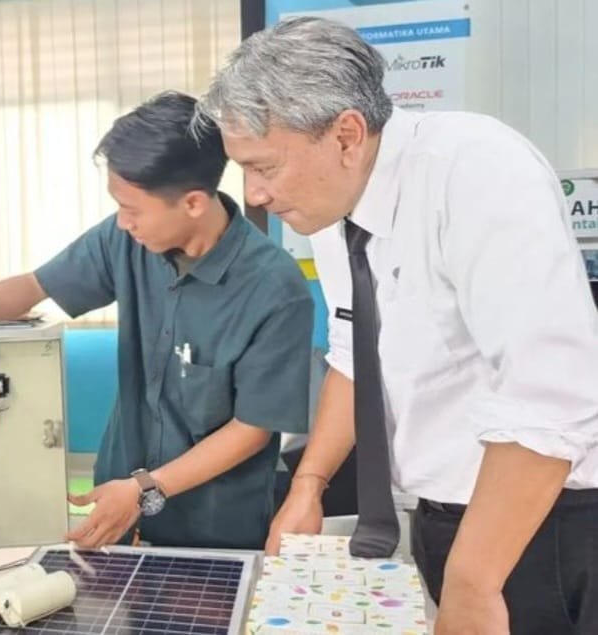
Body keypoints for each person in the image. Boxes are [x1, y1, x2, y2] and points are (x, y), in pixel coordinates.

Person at [196, 16, 598, 635]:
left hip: (539, 523)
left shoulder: (476, 170)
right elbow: (354, 353)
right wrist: (309, 485)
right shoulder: (334, 203)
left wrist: (474, 581)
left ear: (346, 135)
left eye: (265, 167)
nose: (254, 195)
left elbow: (549, 395)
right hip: (442, 518)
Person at [0, 91, 313, 551]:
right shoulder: (124, 241)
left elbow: (253, 428)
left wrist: (146, 488)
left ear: (193, 204)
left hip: (214, 526)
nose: (123, 222)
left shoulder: (274, 288)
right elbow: (36, 285)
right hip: (117, 506)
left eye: (133, 210)